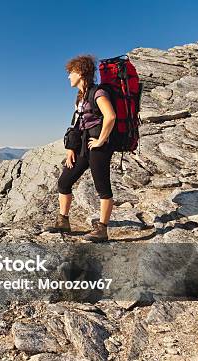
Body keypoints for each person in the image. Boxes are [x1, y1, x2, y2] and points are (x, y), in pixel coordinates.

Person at [50, 54, 117, 242]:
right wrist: (71, 149)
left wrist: (100, 141)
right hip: (83, 147)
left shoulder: (98, 93)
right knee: (64, 182)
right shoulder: (80, 98)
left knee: (102, 188)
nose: (68, 77)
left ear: (80, 72)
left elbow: (110, 116)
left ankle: (102, 229)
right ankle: (63, 221)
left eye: (70, 72)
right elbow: (77, 125)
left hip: (98, 147)